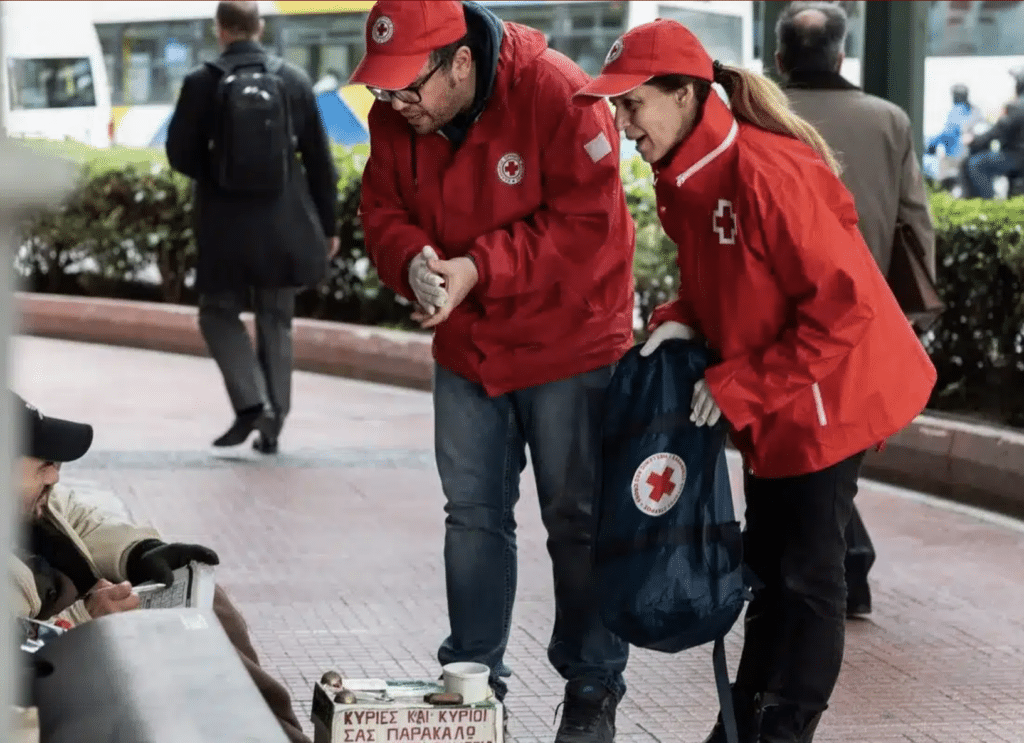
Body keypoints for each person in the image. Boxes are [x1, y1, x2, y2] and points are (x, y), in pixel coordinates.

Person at [575, 19, 936, 743]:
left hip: (832, 393)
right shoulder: (685, 175)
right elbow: (721, 281)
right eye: (615, 106)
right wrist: (681, 317)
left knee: (805, 580)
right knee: (770, 569)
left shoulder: (768, 172)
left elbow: (846, 308)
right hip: (782, 396)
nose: (621, 122)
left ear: (683, 94)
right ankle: (744, 722)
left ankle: (781, 726)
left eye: (632, 104)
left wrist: (744, 384)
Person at [350, 2, 636, 740]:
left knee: (577, 518)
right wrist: (410, 260)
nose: (394, 105)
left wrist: (481, 266)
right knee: (472, 515)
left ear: (462, 62)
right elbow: (380, 209)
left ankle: (593, 682)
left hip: (569, 343)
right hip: (469, 348)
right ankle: (474, 679)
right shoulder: (396, 116)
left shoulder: (555, 91)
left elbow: (590, 225)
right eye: (382, 91)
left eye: (407, 88)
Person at [11, 392, 312, 743]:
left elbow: (78, 516)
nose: (54, 477)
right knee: (190, 645)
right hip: (61, 681)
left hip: (94, 632)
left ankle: (283, 734)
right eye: (43, 465)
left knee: (206, 606)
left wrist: (141, 553)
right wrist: (82, 621)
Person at [774, 0, 937, 618]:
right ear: (842, 54)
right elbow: (914, 224)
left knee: (798, 449)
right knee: (836, 444)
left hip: (775, 316)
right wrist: (917, 316)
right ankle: (843, 563)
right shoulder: (889, 120)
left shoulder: (761, 116)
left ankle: (833, 565)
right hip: (860, 314)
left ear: (782, 56)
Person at [166, 0, 339, 454]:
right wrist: (329, 224)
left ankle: (251, 401)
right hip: (284, 221)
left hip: (223, 225)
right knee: (276, 319)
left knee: (217, 313)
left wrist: (219, 172)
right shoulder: (293, 80)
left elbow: (179, 155)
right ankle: (273, 423)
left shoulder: (201, 82)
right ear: (259, 27)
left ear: (221, 29)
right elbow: (321, 161)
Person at [964, 67, 1024, 199]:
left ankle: (989, 204)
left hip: (1016, 156)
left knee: (976, 163)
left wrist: (974, 140)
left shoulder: (1015, 107)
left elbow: (996, 132)